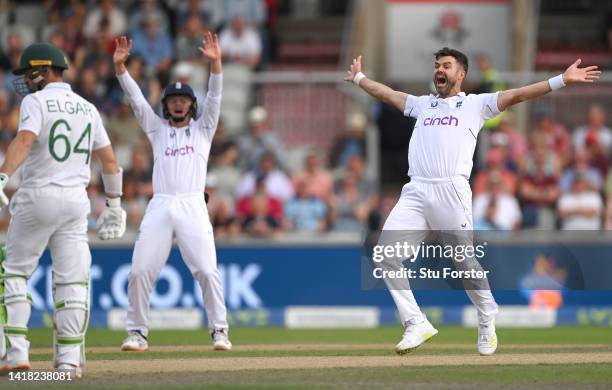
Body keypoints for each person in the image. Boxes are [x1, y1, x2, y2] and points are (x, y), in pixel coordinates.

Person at [345, 48, 600, 355]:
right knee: (386, 254)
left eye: (446, 65)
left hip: (451, 191)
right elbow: (387, 94)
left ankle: (487, 316)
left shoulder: (475, 105)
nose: (439, 69)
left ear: (460, 74)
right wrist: (360, 78)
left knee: (464, 261)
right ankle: (415, 322)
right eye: (437, 65)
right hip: (415, 190)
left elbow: (519, 95)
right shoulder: (422, 104)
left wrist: (561, 79)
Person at [0, 42, 126, 377]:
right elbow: (109, 160)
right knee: (72, 282)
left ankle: (16, 355)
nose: (26, 79)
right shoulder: (88, 108)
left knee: (13, 272)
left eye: (29, 73)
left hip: (38, 196)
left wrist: (2, 174)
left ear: (43, 70)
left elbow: (25, 140)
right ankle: (68, 361)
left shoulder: (35, 101)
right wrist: (114, 204)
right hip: (75, 202)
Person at [113, 33, 232, 352]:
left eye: (183, 100)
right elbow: (137, 102)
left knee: (208, 271)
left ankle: (219, 330)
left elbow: (216, 96)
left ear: (191, 105)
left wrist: (216, 64)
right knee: (139, 271)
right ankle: (137, 332)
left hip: (193, 203)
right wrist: (121, 70)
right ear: (166, 106)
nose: (178, 104)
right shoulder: (157, 129)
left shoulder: (204, 129)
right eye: (173, 101)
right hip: (161, 204)